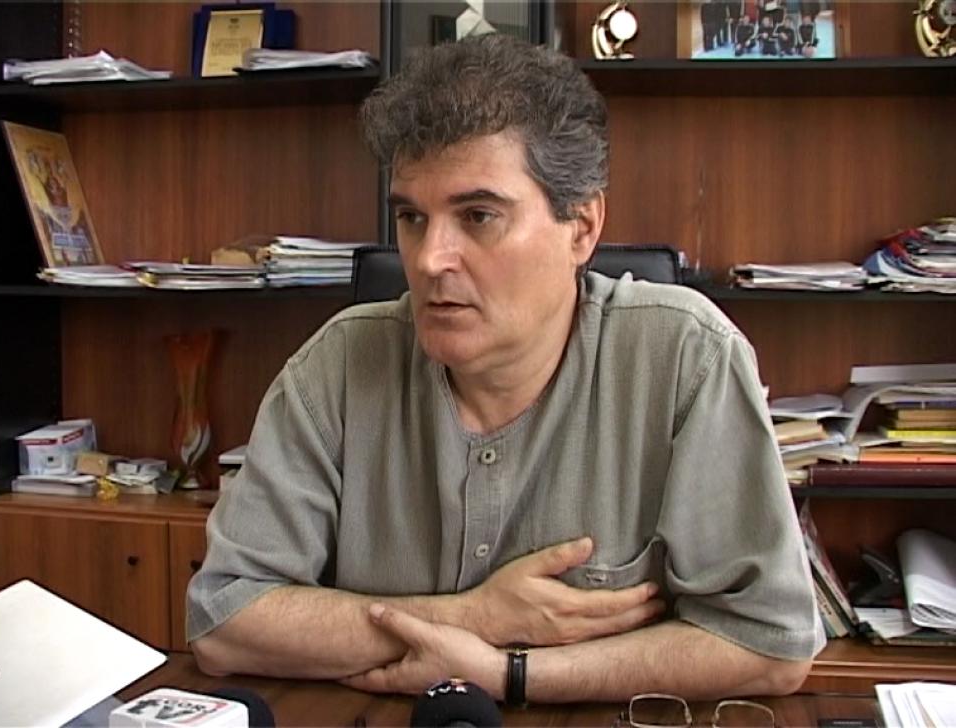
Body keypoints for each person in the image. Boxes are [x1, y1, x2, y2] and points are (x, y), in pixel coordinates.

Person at [186, 33, 824, 704]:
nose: (429, 259)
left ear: (582, 228)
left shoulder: (686, 357)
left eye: (479, 215)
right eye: (411, 217)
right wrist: (476, 617)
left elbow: (769, 647)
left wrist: (509, 673)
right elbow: (225, 624)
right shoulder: (338, 364)